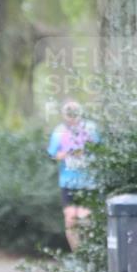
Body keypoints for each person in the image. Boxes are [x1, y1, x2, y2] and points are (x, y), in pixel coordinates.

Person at [47, 100, 99, 251]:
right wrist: (65, 154)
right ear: (64, 115)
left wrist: (85, 151)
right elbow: (52, 154)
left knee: (86, 219)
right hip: (68, 182)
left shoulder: (90, 128)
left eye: (74, 114)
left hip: (89, 182)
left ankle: (90, 253)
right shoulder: (59, 131)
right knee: (70, 220)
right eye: (68, 114)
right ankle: (78, 254)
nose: (72, 118)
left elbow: (99, 149)